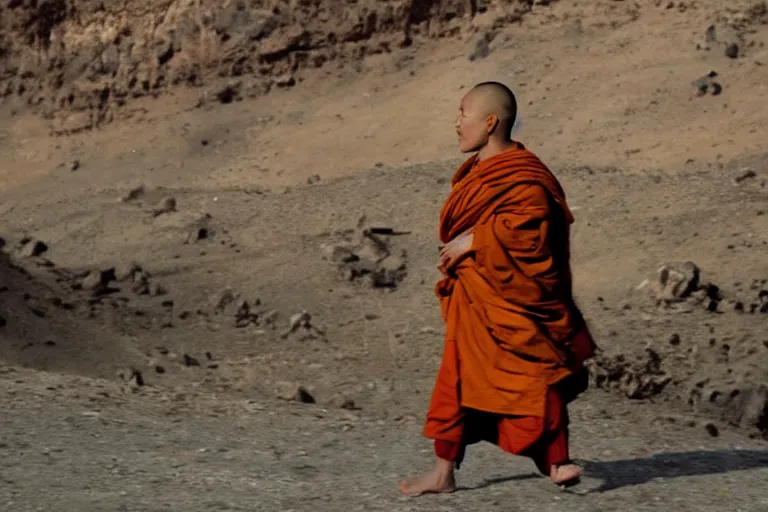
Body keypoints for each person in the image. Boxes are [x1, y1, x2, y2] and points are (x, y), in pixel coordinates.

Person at [399, 81, 597, 497]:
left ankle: (556, 460)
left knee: (536, 367)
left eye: (463, 113)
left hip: (515, 297)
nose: (456, 122)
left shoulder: (525, 175)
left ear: (490, 122)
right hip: (477, 292)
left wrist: (474, 240)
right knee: (457, 378)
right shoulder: (476, 172)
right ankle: (442, 472)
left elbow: (533, 231)